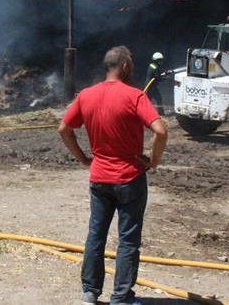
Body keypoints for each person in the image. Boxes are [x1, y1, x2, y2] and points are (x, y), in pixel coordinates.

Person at [58, 46, 167, 305]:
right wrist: (153, 161)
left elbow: (64, 128)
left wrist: (84, 158)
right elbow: (161, 131)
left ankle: (90, 293)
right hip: (130, 178)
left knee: (96, 235)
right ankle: (121, 297)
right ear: (125, 67)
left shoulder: (86, 95)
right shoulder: (135, 96)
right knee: (128, 239)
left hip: (99, 178)